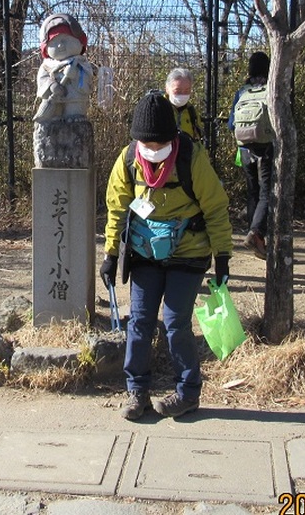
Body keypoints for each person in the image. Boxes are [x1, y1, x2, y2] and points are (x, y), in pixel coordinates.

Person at [101, 93, 232, 420]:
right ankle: (137, 391)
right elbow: (117, 208)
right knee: (141, 322)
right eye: (147, 143)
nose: (153, 149)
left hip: (188, 253)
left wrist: (223, 257)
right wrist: (111, 253)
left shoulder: (191, 157)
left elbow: (216, 208)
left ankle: (188, 393)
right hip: (145, 254)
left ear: (172, 138)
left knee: (175, 323)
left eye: (159, 143)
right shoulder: (129, 158)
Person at [227, 51, 272, 259]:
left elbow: (231, 124)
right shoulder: (271, 88)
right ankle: (257, 234)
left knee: (253, 191)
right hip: (266, 148)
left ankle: (253, 233)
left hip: (244, 149)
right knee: (266, 192)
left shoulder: (242, 91)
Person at [164, 68, 202, 142]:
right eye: (177, 90)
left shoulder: (192, 112)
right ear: (167, 89)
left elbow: (198, 142)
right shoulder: (157, 109)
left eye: (187, 90)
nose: (182, 94)